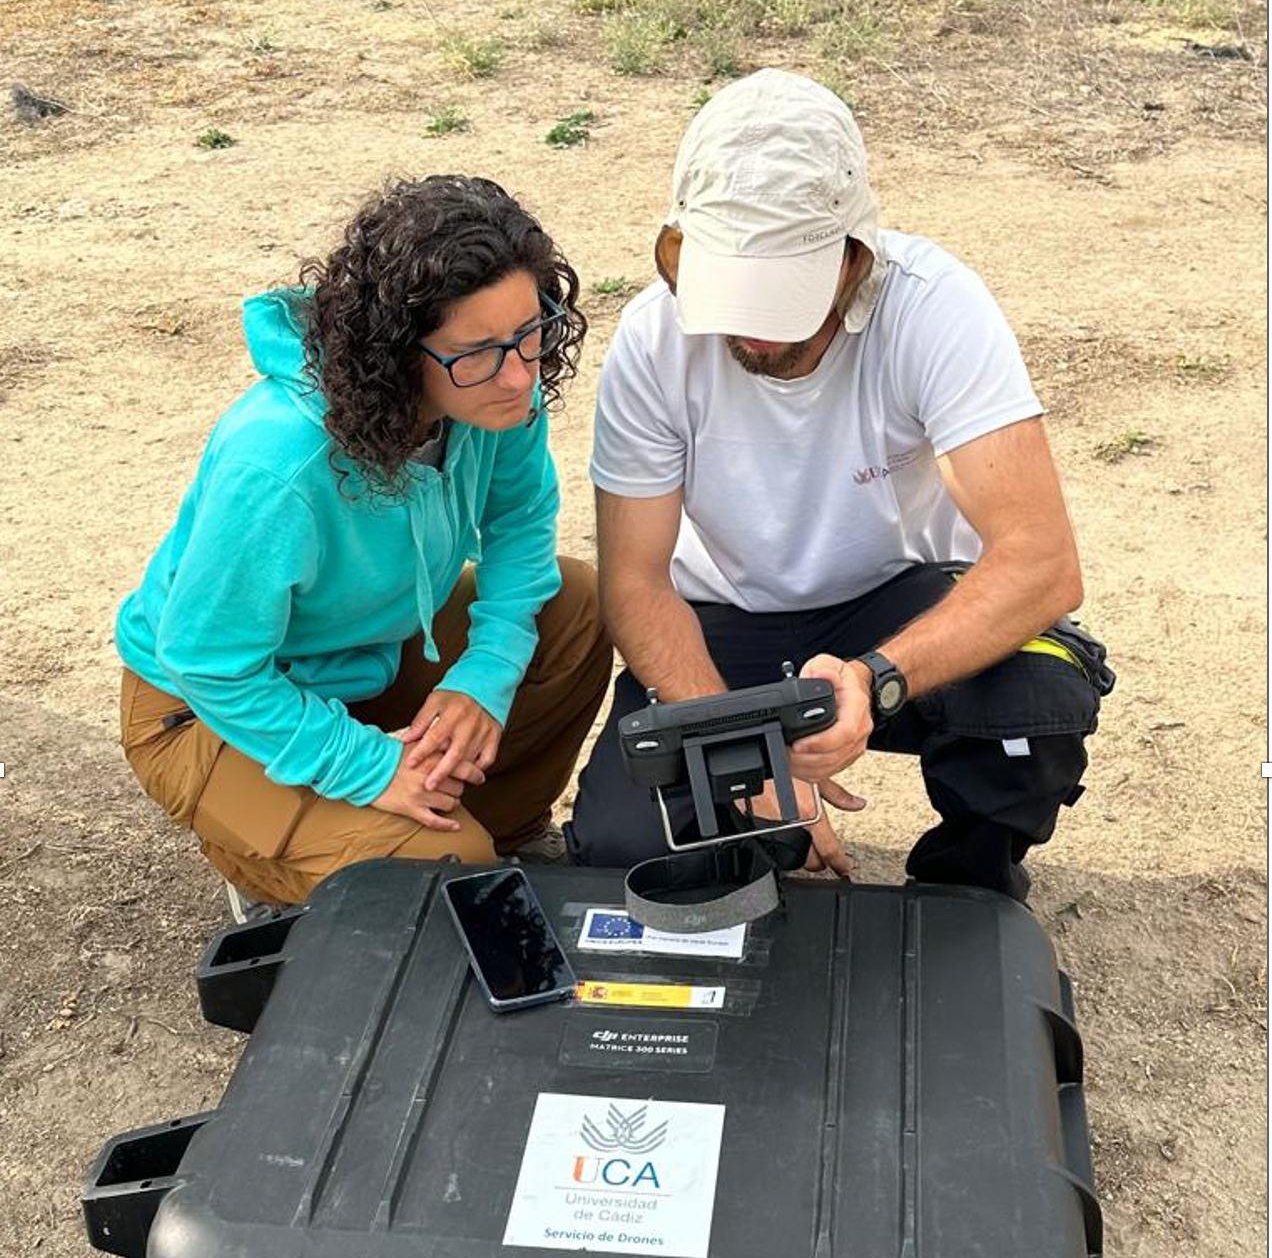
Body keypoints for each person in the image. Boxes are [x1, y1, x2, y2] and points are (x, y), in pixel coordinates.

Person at [566, 69, 1111, 902]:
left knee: (1036, 699)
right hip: (719, 623)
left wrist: (874, 677)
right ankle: (762, 843)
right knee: (628, 851)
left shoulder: (934, 309)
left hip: (898, 601)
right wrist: (741, 743)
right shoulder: (651, 342)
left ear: (854, 256)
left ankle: (966, 890)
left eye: (781, 296)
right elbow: (638, 583)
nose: (751, 328)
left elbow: (1041, 562)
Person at [117, 175, 612, 916]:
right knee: (447, 879)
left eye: (532, 330)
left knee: (574, 607)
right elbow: (209, 664)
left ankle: (487, 833)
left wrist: (484, 674)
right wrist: (370, 767)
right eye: (476, 352)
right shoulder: (278, 463)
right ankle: (263, 859)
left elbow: (520, 526)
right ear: (393, 354)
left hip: (368, 654)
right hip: (205, 710)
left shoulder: (499, 385)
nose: (520, 376)